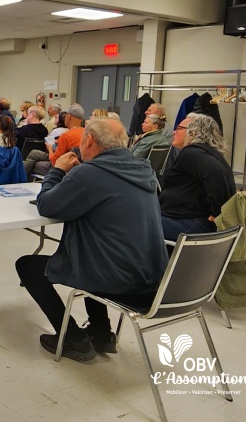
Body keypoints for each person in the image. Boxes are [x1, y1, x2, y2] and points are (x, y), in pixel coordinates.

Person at [16, 118, 167, 362]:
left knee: (27, 266)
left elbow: (47, 205)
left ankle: (72, 338)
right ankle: (101, 332)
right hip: (150, 277)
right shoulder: (143, 169)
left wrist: (57, 171)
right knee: (95, 252)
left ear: (89, 141)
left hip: (117, 279)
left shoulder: (91, 173)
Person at [160, 113, 236, 241]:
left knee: (132, 224)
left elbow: (215, 173)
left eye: (179, 128)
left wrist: (218, 212)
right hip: (193, 220)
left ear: (193, 132)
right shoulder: (209, 152)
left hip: (191, 224)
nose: (174, 132)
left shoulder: (192, 153)